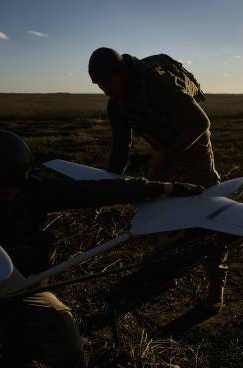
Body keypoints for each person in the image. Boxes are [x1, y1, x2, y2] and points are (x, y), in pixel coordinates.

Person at [0, 130, 203, 368]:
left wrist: (162, 188)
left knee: (65, 335)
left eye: (14, 185)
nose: (7, 192)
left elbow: (89, 192)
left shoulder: (32, 190)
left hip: (25, 284)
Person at [87, 47, 228, 312]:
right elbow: (120, 147)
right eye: (98, 85)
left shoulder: (159, 83)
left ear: (121, 73)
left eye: (106, 82)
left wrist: (166, 154)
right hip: (162, 154)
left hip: (194, 150)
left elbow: (201, 123)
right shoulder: (116, 102)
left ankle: (215, 289)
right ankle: (166, 273)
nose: (103, 89)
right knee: (158, 214)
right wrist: (109, 185)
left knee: (210, 217)